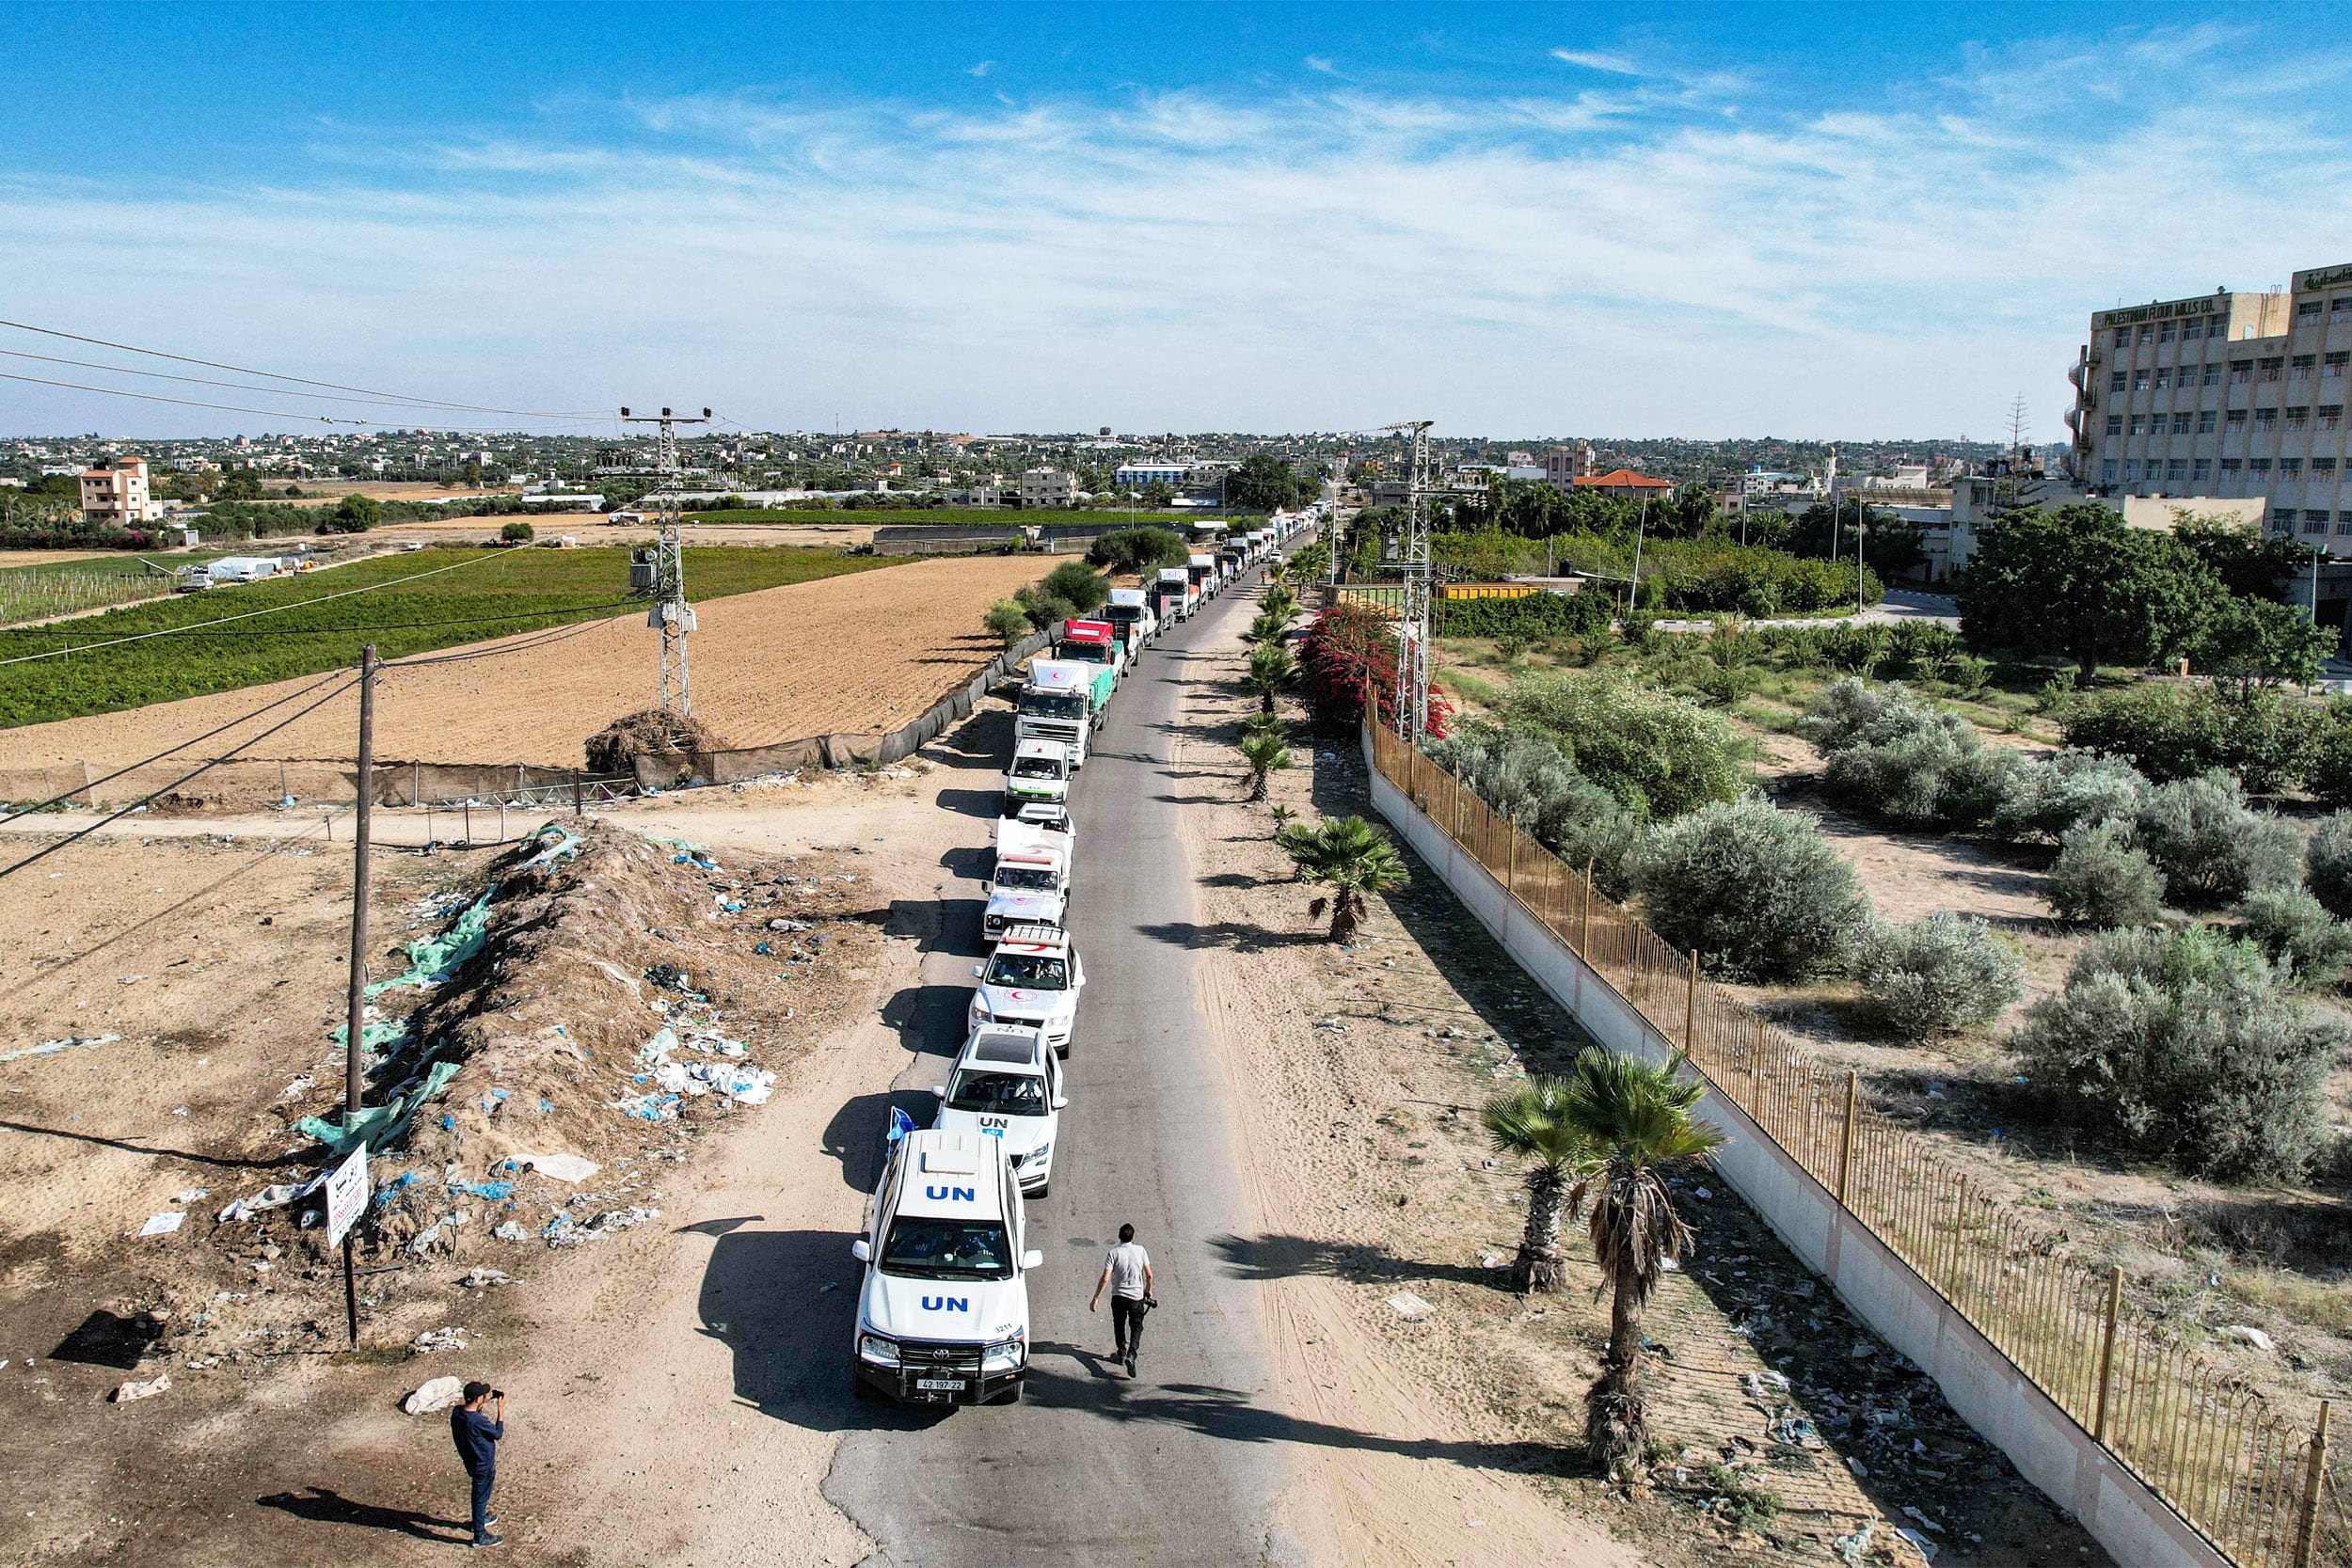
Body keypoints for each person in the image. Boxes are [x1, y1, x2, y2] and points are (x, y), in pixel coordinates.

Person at [1087, 1223, 1154, 1375]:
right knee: (1137, 1327)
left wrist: (1096, 1298)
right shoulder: (1140, 1251)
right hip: (1136, 1298)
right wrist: (1148, 1290)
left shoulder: (1113, 1253)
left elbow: (1105, 1278)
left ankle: (1121, 1352)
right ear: (1133, 1236)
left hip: (1118, 1297)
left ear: (1119, 1236)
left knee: (1119, 1324)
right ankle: (1132, 1353)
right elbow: (1149, 1275)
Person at [450, 1381, 506, 1548]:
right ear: (476, 1399)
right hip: (483, 1464)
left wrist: (482, 1401)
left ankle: (479, 1520)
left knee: (481, 1495)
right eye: (482, 1395)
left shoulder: (457, 1413)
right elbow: (497, 1433)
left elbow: (470, 1411)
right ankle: (479, 1535)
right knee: (480, 1497)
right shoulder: (477, 1421)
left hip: (471, 1461)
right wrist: (500, 1410)